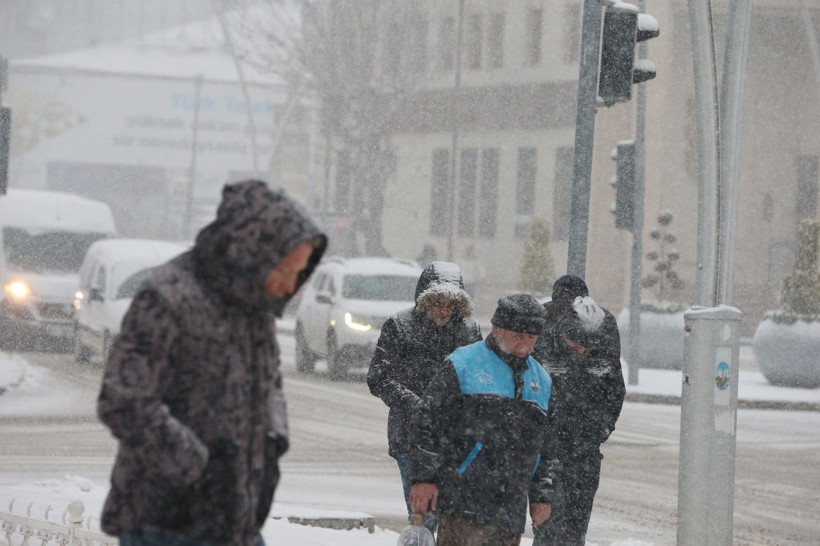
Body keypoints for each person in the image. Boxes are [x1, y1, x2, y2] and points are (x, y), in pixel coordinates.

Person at [96, 180, 327, 546]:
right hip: (164, 525)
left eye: (298, 275)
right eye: (283, 271)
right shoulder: (167, 297)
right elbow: (124, 400)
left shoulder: (254, 309)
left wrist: (271, 446)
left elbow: (269, 389)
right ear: (252, 254)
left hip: (235, 522)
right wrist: (199, 470)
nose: (289, 287)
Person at [409, 294, 559, 546]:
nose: (525, 346)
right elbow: (426, 422)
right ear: (497, 329)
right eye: (518, 336)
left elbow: (548, 445)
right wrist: (424, 478)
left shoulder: (541, 379)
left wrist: (542, 495)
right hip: (463, 500)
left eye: (531, 338)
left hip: (511, 509)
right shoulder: (464, 364)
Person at [367, 261, 482, 534]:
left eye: (450, 305)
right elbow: (378, 377)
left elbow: (478, 378)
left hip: (456, 438)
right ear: (425, 301)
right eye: (438, 303)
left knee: (455, 518)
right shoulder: (400, 326)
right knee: (424, 514)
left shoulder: (468, 330)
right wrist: (417, 405)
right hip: (409, 436)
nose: (444, 311)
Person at [532, 287, 626, 546]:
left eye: (585, 347)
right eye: (575, 346)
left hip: (585, 450)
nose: (581, 352)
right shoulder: (543, 349)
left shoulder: (600, 339)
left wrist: (601, 429)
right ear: (562, 336)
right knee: (549, 522)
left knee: (576, 523)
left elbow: (615, 391)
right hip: (549, 451)